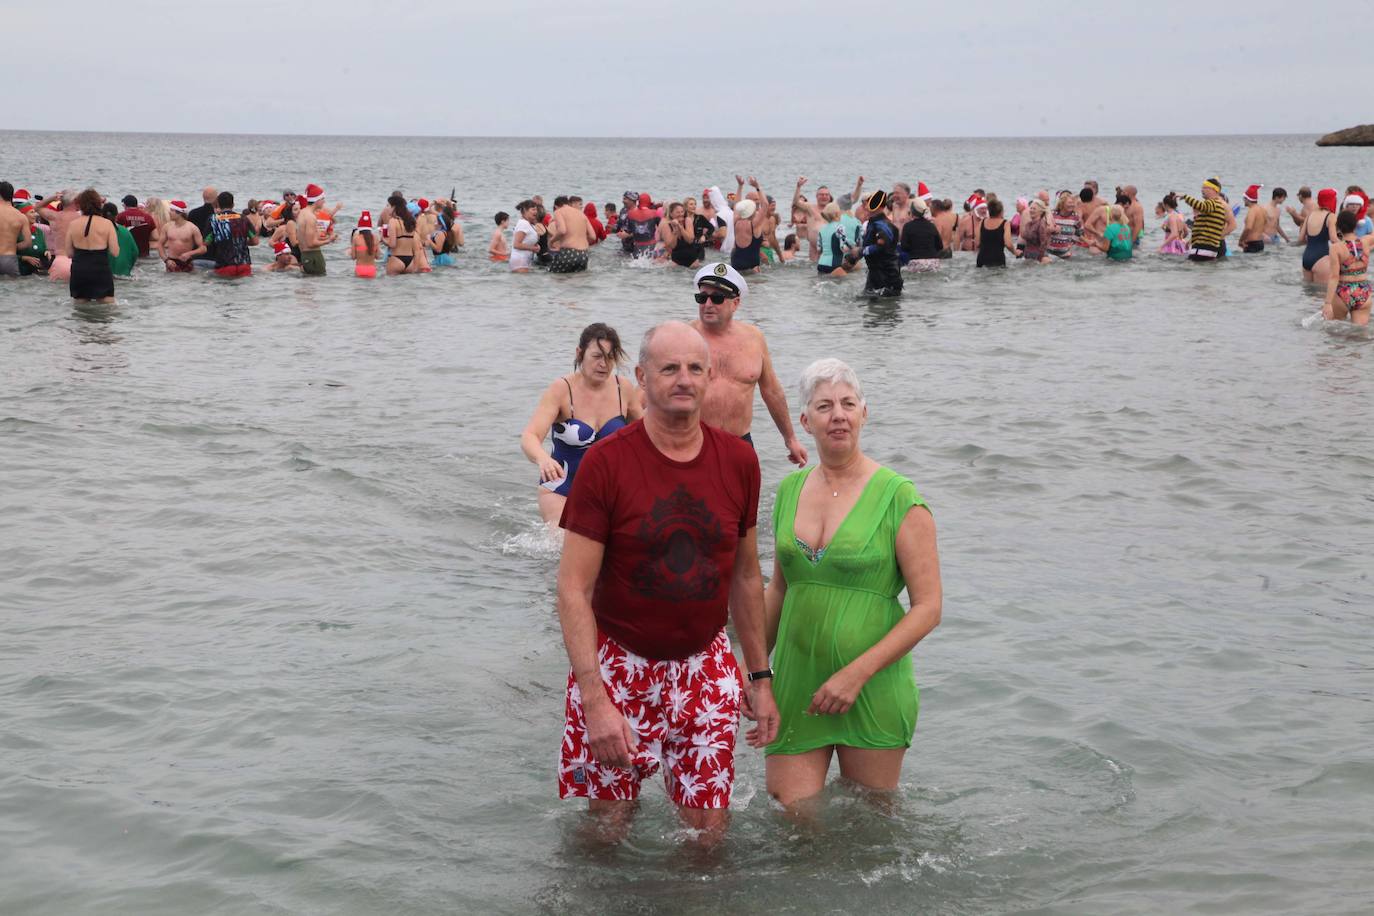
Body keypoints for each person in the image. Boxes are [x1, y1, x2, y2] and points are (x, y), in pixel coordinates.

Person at [554, 319, 778, 847]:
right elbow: (572, 589)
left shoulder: (739, 459)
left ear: (710, 377)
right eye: (670, 368)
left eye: (696, 368)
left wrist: (761, 678)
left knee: (707, 838)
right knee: (607, 829)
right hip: (619, 667)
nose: (684, 379)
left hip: (705, 665)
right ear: (641, 376)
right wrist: (594, 698)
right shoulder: (606, 463)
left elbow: (746, 576)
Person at [764, 357, 941, 812]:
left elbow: (928, 607)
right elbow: (779, 591)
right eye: (824, 406)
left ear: (865, 412)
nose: (837, 415)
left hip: (872, 684)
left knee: (873, 831)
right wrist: (751, 671)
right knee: (793, 817)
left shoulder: (900, 496)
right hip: (798, 683)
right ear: (805, 420)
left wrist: (855, 674)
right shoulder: (789, 490)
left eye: (847, 403)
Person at [519, 323, 642, 527]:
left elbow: (648, 435)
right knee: (565, 546)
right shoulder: (561, 389)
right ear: (580, 353)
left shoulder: (624, 389)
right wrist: (543, 460)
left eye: (610, 357)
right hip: (561, 488)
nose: (604, 364)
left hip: (609, 492)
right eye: (597, 356)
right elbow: (530, 436)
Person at [690, 262, 809, 465]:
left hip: (740, 445)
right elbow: (655, 386)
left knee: (746, 498)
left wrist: (790, 439)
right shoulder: (684, 337)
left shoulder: (754, 338)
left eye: (717, 298)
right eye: (702, 297)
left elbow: (771, 391)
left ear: (735, 303)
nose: (708, 304)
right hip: (692, 445)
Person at [64, 188, 119, 302]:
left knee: (80, 310)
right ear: (99, 204)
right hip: (100, 269)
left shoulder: (73, 224)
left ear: (81, 205)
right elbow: (115, 252)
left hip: (79, 269)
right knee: (106, 308)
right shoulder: (107, 224)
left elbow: (69, 253)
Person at [847, 190, 902, 297]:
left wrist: (861, 251)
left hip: (886, 277)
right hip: (876, 275)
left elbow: (882, 245)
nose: (866, 207)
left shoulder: (882, 225)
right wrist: (854, 256)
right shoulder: (873, 223)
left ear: (880, 207)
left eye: (870, 204)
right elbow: (872, 248)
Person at [1323, 210, 1370, 325]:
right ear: (1355, 226)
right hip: (1363, 291)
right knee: (1359, 334)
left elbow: (1334, 276)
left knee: (1335, 334)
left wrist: (1327, 303)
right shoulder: (1366, 242)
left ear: (1338, 227)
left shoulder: (1336, 248)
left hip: (1343, 291)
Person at [1176, 178, 1230, 262]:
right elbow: (1203, 228)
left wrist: (1186, 197)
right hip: (1205, 248)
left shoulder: (1213, 203)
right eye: (1202, 187)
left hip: (1204, 248)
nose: (1202, 189)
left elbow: (1201, 206)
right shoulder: (1214, 204)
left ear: (1214, 190)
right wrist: (1192, 240)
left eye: (1205, 187)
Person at [205, 191, 257, 278]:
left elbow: (206, 242)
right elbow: (255, 241)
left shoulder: (213, 219)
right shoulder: (243, 218)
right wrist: (240, 241)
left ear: (218, 205)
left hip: (224, 265)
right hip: (244, 265)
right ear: (233, 205)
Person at [730, 177, 770, 273]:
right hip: (752, 267)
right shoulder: (755, 224)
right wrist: (757, 187)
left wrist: (740, 186)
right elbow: (765, 205)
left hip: (736, 264)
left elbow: (737, 205)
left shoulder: (735, 221)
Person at [1299, 188, 1338, 284]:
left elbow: (1300, 239)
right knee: (1321, 293)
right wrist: (1348, 246)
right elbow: (1333, 239)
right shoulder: (1331, 216)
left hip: (1306, 257)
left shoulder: (1310, 215)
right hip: (1322, 257)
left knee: (1308, 293)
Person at [549, 196, 596, 273]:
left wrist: (551, 241)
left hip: (568, 252)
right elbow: (593, 236)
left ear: (556, 206)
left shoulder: (559, 211)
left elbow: (562, 230)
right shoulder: (582, 214)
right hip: (583, 254)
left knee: (554, 277)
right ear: (568, 203)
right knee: (575, 281)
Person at [154, 200, 205, 271]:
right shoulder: (167, 227)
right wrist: (166, 260)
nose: (169, 212)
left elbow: (203, 249)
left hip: (187, 262)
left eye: (172, 210)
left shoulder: (192, 228)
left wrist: (189, 254)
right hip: (171, 262)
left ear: (179, 213)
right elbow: (160, 245)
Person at [297, 184, 329, 276]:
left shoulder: (302, 213)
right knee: (318, 286)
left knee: (309, 286)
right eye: (323, 199)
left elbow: (304, 238)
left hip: (305, 255)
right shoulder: (311, 217)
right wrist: (329, 240)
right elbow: (311, 243)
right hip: (313, 256)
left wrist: (322, 237)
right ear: (317, 200)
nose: (324, 202)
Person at [0, 181, 30, 277]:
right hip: (9, 259)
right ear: (12, 195)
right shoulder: (21, 217)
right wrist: (11, 245)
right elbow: (27, 243)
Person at [975, 198, 1016, 268]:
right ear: (1001, 212)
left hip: (982, 259)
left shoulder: (982, 222)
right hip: (997, 259)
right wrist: (1015, 252)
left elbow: (977, 243)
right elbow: (1008, 244)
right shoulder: (1005, 223)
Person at [816, 202, 855, 276]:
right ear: (837, 213)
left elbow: (819, 250)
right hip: (834, 264)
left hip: (821, 264)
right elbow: (843, 248)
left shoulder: (822, 229)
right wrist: (852, 247)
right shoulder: (839, 227)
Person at [102, 202, 139, 278]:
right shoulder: (125, 231)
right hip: (124, 275)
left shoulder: (99, 230)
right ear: (116, 216)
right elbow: (135, 252)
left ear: (101, 215)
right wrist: (127, 269)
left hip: (106, 276)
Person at [661, 202, 700, 268]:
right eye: (678, 212)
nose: (681, 214)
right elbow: (672, 246)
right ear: (671, 214)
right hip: (676, 261)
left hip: (693, 261)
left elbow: (690, 240)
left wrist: (680, 227)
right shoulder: (666, 226)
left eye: (682, 212)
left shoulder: (687, 220)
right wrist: (675, 232)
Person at [509, 200, 540, 273]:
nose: (536, 212)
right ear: (525, 211)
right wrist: (533, 248)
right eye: (533, 209)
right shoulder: (523, 224)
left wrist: (536, 246)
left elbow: (526, 241)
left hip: (524, 261)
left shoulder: (529, 224)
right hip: (520, 261)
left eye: (536, 209)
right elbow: (516, 244)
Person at [1017, 199, 1053, 263]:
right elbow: (1023, 236)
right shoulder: (1028, 224)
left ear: (1041, 212)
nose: (1031, 210)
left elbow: (1044, 243)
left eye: (1034, 209)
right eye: (1031, 208)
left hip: (1039, 256)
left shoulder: (1041, 224)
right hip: (1027, 255)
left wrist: (1040, 258)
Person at [1239, 185, 1268, 252]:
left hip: (1251, 244)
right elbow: (1265, 223)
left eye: (1244, 198)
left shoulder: (1252, 210)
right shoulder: (1262, 209)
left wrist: (1241, 241)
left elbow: (1248, 228)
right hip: (1260, 242)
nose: (1243, 200)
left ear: (1247, 199)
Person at [350, 210, 379, 278]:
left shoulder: (356, 238)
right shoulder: (375, 238)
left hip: (360, 269)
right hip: (371, 269)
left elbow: (353, 257)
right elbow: (377, 256)